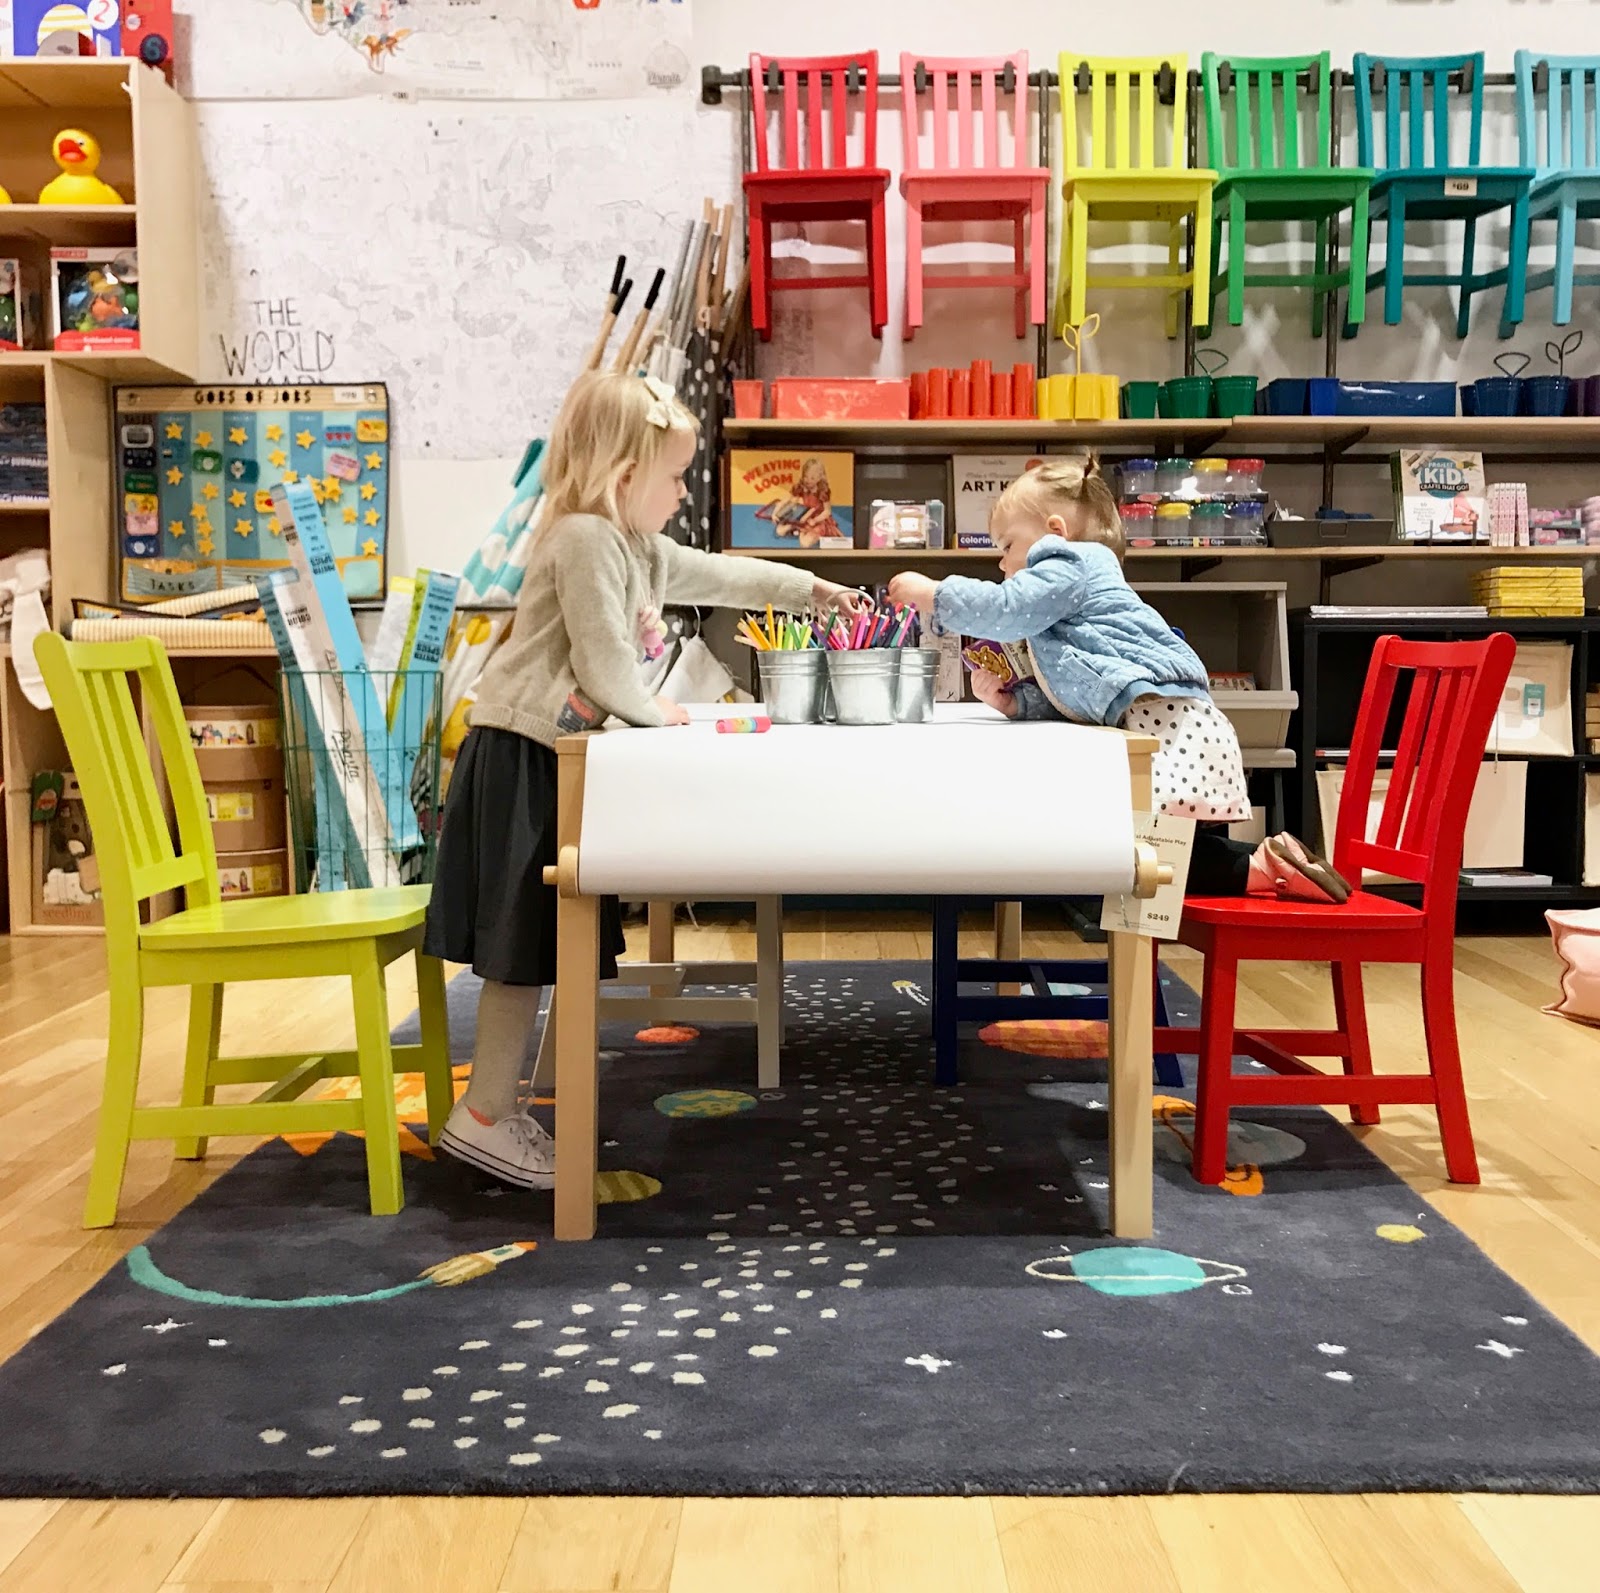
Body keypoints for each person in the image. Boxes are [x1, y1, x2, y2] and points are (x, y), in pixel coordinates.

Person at [426, 371, 868, 1188]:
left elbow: (722, 575)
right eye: (675, 476)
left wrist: (810, 590)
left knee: (534, 945)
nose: (683, 493)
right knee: (518, 951)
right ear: (626, 475)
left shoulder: (633, 545)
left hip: (547, 754)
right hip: (523, 755)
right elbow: (602, 664)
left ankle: (494, 1107)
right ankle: (484, 1115)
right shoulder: (585, 540)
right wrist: (656, 712)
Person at [887, 456, 1348, 904]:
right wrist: (1017, 703)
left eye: (1007, 546)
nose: (1002, 565)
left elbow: (1006, 609)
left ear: (1054, 532)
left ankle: (1263, 870)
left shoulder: (1067, 561)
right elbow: (1082, 692)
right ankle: (1272, 860)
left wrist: (934, 594)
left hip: (1164, 727)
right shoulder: (1073, 595)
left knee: (1128, 854)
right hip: (1171, 723)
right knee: (1148, 849)